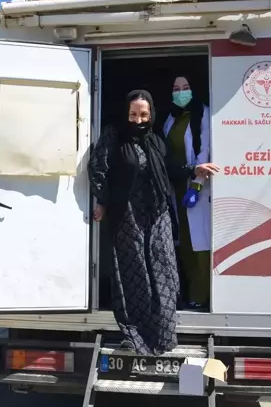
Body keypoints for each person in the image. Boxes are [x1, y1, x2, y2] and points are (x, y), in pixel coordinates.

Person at [88, 89, 179, 356]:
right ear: (125, 113)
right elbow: (97, 168)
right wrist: (103, 201)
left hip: (157, 212)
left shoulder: (156, 140)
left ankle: (162, 333)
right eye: (133, 114)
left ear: (151, 114)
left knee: (164, 270)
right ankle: (136, 333)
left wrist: (192, 170)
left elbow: (169, 168)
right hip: (126, 213)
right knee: (135, 271)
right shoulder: (114, 136)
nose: (138, 120)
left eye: (143, 114)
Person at [162, 76, 219, 311]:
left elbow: (204, 148)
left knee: (200, 243)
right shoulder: (171, 117)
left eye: (185, 88)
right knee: (183, 243)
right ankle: (186, 292)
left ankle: (201, 295)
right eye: (176, 88)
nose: (181, 92)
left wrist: (196, 184)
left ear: (193, 90)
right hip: (176, 186)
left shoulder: (202, 113)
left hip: (196, 186)